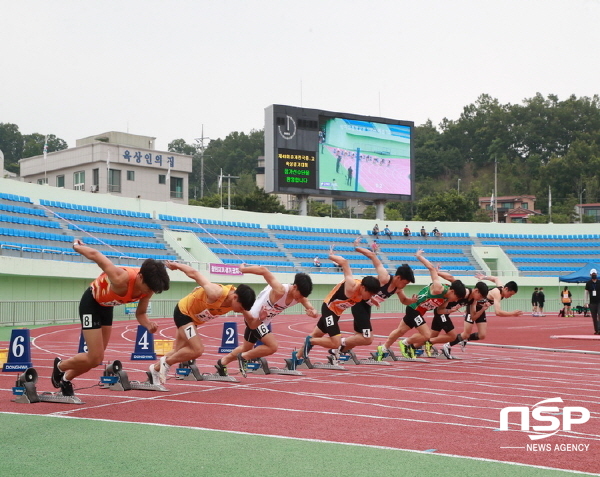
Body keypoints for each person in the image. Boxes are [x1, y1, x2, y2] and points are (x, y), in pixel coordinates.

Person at [51, 239, 170, 397]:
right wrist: (76, 246)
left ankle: (65, 379)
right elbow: (96, 255)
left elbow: (140, 313)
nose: (149, 292)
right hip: (91, 303)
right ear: (140, 277)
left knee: (96, 358)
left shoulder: (149, 289)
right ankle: (59, 366)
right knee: (94, 356)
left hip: (107, 307)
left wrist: (148, 324)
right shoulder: (120, 278)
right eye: (148, 288)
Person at [148, 262, 255, 385]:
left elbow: (251, 321)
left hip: (193, 320)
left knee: (179, 350)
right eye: (241, 308)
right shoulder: (216, 293)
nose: (241, 311)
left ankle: (154, 370)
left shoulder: (237, 301)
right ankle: (166, 363)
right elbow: (195, 274)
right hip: (184, 312)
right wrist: (177, 266)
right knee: (197, 349)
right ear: (235, 297)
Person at [216, 266, 317, 377]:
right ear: (295, 287)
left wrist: (313, 312)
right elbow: (264, 270)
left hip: (262, 322)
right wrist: (243, 269)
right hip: (255, 319)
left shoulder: (300, 297)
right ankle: (244, 357)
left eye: (302, 297)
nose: (299, 299)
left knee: (246, 348)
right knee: (272, 346)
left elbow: (311, 309)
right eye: (300, 296)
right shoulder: (280, 290)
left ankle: (222, 362)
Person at [293, 247, 380, 367]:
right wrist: (331, 256)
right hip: (329, 309)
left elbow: (366, 295)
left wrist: (372, 299)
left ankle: (295, 358)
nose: (370, 297)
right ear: (364, 288)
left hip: (336, 313)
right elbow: (345, 263)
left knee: (316, 334)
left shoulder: (364, 292)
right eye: (370, 294)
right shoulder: (351, 286)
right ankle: (310, 342)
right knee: (335, 342)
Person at [378, 249, 467, 359]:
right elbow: (431, 268)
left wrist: (450, 311)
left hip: (419, 311)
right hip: (414, 309)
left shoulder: (447, 299)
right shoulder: (439, 288)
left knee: (400, 331)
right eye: (457, 297)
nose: (456, 300)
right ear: (452, 291)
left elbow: (440, 311)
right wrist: (419, 256)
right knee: (427, 335)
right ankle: (405, 343)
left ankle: (383, 348)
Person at [342, 240, 415, 361]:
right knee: (367, 338)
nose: (405, 286)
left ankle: (339, 352)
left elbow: (404, 301)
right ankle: (337, 343)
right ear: (398, 277)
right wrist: (356, 248)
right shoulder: (384, 278)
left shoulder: (397, 289)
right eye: (405, 283)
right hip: (359, 303)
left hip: (366, 308)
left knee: (359, 337)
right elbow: (373, 256)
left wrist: (412, 301)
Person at [404, 272, 490, 356]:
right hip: (441, 312)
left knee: (432, 335)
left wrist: (483, 309)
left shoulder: (473, 301)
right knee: (452, 336)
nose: (481, 299)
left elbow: (473, 317)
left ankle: (412, 347)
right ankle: (426, 343)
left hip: (445, 312)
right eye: (481, 296)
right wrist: (437, 272)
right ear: (476, 291)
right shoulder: (464, 292)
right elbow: (451, 278)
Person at [441, 273, 523, 358]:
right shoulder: (497, 293)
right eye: (510, 294)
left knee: (482, 335)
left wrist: (484, 277)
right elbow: (498, 312)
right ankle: (447, 345)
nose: (510, 297)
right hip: (472, 307)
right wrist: (512, 313)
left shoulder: (501, 288)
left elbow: (495, 278)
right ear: (506, 289)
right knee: (466, 333)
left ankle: (464, 340)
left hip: (481, 309)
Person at [585, 268, 600, 334]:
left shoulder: (599, 282)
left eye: (595, 274)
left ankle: (599, 329)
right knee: (594, 317)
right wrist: (586, 302)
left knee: (599, 315)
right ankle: (596, 330)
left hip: (599, 302)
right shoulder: (588, 283)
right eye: (592, 274)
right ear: (590, 275)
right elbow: (586, 293)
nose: (594, 275)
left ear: (596, 274)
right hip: (592, 303)